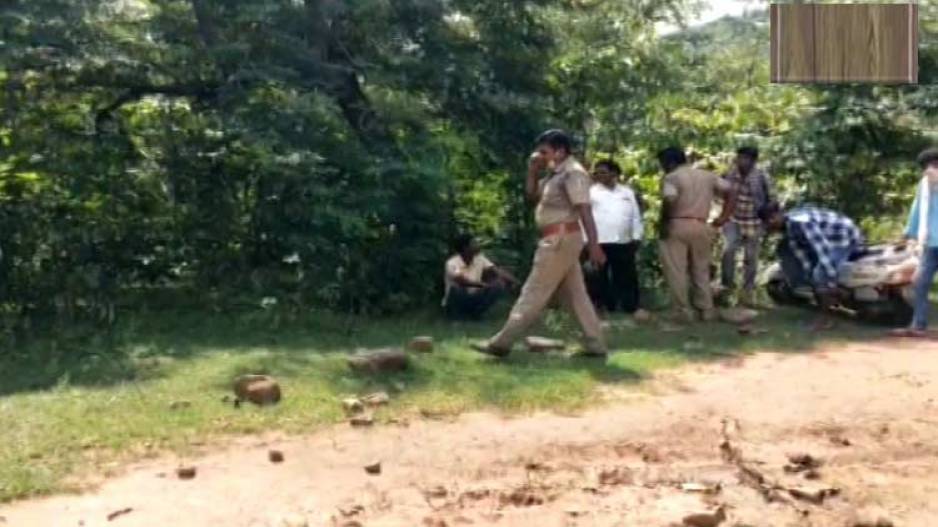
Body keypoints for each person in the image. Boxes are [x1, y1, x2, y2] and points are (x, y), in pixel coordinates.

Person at [473, 130, 608, 357]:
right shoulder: (555, 174)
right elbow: (532, 196)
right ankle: (594, 344)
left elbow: (585, 210)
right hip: (560, 238)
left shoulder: (573, 173)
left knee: (534, 290)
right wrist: (532, 172)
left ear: (560, 151)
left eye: (544, 152)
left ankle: (502, 342)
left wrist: (594, 245)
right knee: (575, 295)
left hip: (560, 239)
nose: (540, 156)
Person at [657, 146, 736, 323]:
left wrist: (663, 222)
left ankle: (682, 311)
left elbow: (669, 199)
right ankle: (706, 309)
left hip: (677, 222)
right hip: (701, 223)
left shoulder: (671, 177)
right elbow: (731, 191)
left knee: (676, 270)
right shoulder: (707, 176)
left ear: (669, 162)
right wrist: (723, 217)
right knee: (701, 269)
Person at [760, 203, 864, 330]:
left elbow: (823, 251)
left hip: (844, 236)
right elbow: (802, 257)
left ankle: (825, 320)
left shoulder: (802, 222)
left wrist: (826, 280)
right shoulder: (789, 230)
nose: (771, 223)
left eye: (772, 218)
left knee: (820, 274)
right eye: (767, 221)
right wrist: (812, 280)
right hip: (828, 238)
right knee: (815, 276)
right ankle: (838, 295)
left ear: (781, 213)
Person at [891, 148, 938, 338]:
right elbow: (917, 209)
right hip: (930, 242)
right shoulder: (924, 186)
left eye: (935, 165)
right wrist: (908, 234)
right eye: (928, 166)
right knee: (920, 282)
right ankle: (918, 324)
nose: (931, 170)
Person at [586, 160, 644, 314]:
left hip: (623, 241)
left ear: (614, 174)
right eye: (597, 173)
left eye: (603, 172)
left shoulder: (627, 192)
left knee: (626, 275)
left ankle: (630, 306)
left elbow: (635, 216)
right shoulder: (591, 193)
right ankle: (603, 306)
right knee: (599, 276)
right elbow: (583, 217)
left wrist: (637, 235)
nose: (599, 176)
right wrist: (587, 240)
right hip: (599, 241)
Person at [720, 146, 773, 307]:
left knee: (751, 257)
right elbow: (720, 193)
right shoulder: (730, 174)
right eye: (739, 157)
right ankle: (727, 288)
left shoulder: (761, 176)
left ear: (753, 161)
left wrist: (767, 213)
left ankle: (747, 292)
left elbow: (773, 198)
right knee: (728, 251)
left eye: (745, 158)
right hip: (734, 220)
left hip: (754, 221)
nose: (741, 161)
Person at [443, 234, 519, 320]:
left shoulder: (480, 258)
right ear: (465, 248)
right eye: (474, 243)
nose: (477, 245)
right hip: (459, 299)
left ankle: (476, 314)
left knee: (498, 284)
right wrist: (483, 285)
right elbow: (461, 281)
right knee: (456, 288)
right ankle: (456, 316)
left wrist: (514, 282)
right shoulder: (452, 263)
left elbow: (496, 271)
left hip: (475, 296)